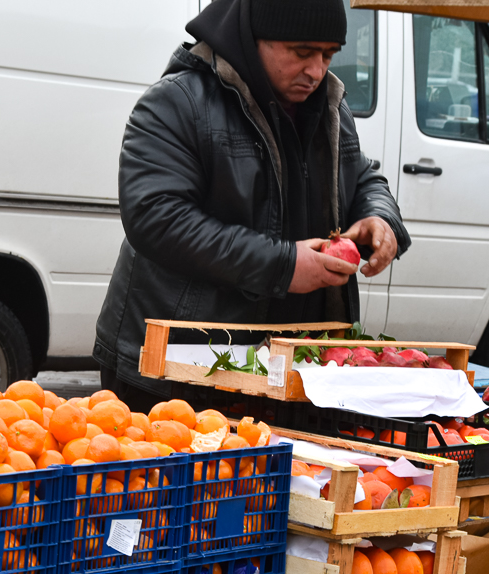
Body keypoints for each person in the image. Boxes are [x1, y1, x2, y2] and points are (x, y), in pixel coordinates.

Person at [93, 0, 410, 411]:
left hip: (290, 372)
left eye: (329, 55)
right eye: (302, 52)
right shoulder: (178, 102)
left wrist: (379, 216)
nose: (317, 70)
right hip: (178, 373)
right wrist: (284, 266)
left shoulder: (332, 107)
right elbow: (156, 217)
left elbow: (364, 176)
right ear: (252, 38)